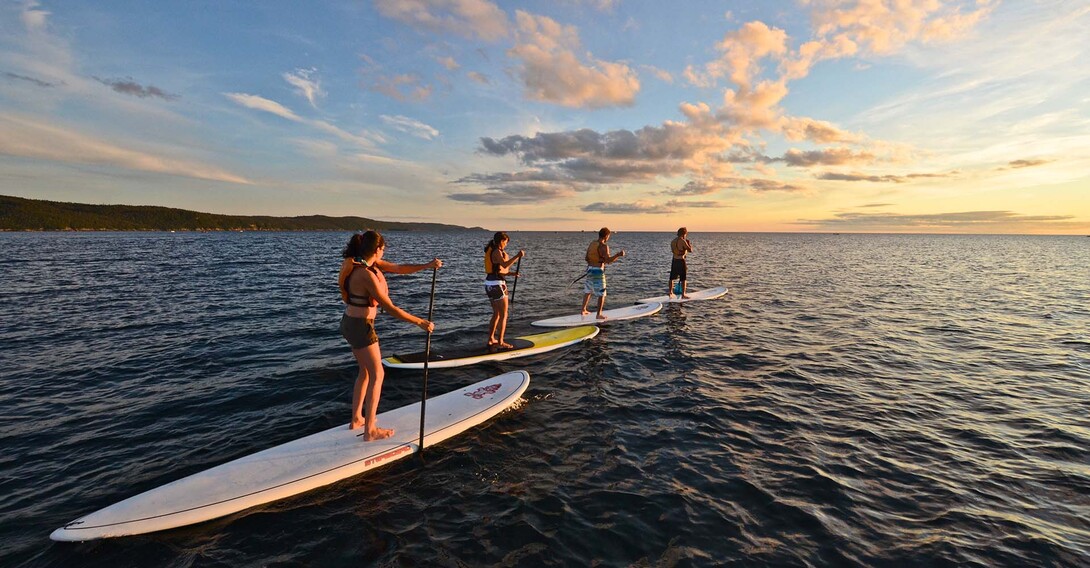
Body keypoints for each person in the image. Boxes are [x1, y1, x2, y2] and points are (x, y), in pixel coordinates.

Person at [338, 231, 441, 440]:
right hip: (360, 327)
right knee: (378, 374)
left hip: (350, 323)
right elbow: (391, 308)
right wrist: (420, 322)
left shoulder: (364, 264)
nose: (384, 252)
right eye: (383, 249)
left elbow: (400, 268)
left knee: (365, 372)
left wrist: (427, 265)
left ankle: (357, 418)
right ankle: (370, 430)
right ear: (377, 249)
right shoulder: (365, 275)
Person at [484, 232, 525, 352]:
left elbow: (500, 270)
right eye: (506, 242)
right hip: (497, 285)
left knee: (496, 313)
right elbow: (505, 264)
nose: (506, 244)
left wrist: (512, 274)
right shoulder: (496, 251)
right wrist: (518, 256)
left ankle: (491, 338)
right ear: (501, 241)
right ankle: (501, 341)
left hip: (489, 284)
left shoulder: (493, 250)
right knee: (504, 315)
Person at [581, 227, 625, 319]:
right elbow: (608, 261)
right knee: (602, 293)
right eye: (609, 236)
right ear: (606, 236)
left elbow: (586, 258)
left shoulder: (592, 244)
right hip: (598, 271)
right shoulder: (604, 246)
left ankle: (583, 310)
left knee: (588, 290)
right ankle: (599, 314)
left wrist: (598, 260)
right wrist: (618, 255)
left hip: (589, 269)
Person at [669, 227, 693, 299]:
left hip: (674, 260)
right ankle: (683, 294)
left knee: (671, 278)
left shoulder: (673, 241)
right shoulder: (682, 241)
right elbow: (690, 250)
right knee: (683, 278)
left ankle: (670, 292)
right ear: (684, 234)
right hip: (681, 261)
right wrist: (688, 244)